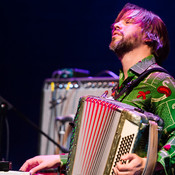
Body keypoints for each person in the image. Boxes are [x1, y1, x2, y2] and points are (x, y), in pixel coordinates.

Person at [20, 3, 175, 175]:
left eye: (128, 21)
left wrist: (148, 163)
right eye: (116, 23)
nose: (116, 25)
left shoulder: (159, 82)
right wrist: (59, 160)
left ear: (150, 36)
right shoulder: (117, 91)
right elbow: (103, 151)